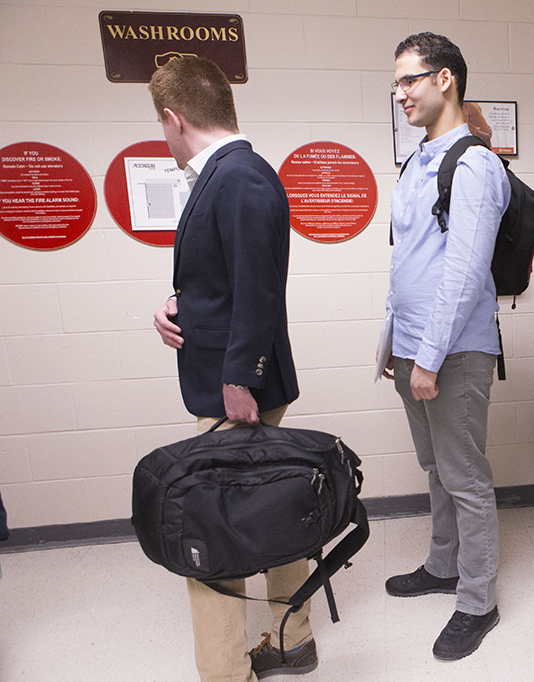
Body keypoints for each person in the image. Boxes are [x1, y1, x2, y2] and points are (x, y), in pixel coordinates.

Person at [148, 57, 311, 680]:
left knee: (209, 537)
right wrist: (177, 304)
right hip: (234, 380)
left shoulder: (237, 178)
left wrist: (240, 377)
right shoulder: (229, 174)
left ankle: (224, 671)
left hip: (235, 391)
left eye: (160, 127)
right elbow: (226, 278)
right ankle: (293, 640)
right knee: (268, 510)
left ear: (174, 117)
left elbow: (259, 289)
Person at [381, 33, 507, 661]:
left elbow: (462, 273)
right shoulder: (416, 162)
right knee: (437, 468)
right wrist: (394, 344)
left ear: (446, 80)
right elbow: (408, 262)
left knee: (465, 477)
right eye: (397, 82)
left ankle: (478, 601)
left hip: (452, 352)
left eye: (410, 79)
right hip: (412, 349)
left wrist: (428, 358)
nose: (400, 92)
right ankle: (441, 565)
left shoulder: (475, 165)